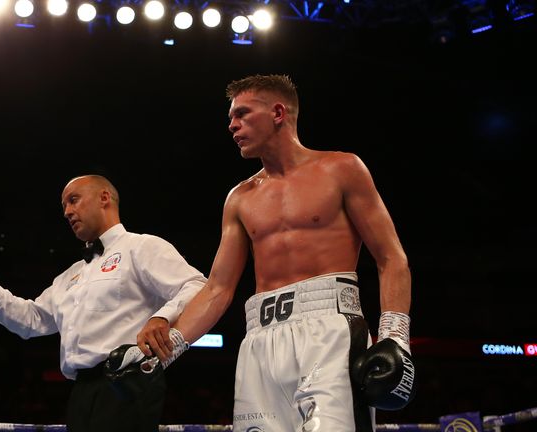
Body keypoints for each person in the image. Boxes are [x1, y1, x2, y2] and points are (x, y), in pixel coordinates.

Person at [131, 74, 417, 431]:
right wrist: (166, 351)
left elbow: (391, 258)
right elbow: (218, 289)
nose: (232, 125)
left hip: (329, 330)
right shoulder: (240, 198)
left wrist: (394, 337)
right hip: (260, 340)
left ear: (278, 112)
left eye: (242, 114)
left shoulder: (341, 169)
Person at [0, 174, 206, 432]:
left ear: (104, 198)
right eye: (64, 206)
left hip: (129, 382)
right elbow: (30, 320)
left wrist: (162, 317)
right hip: (81, 390)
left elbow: (197, 286)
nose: (67, 212)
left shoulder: (141, 247)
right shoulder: (70, 275)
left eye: (73, 200)